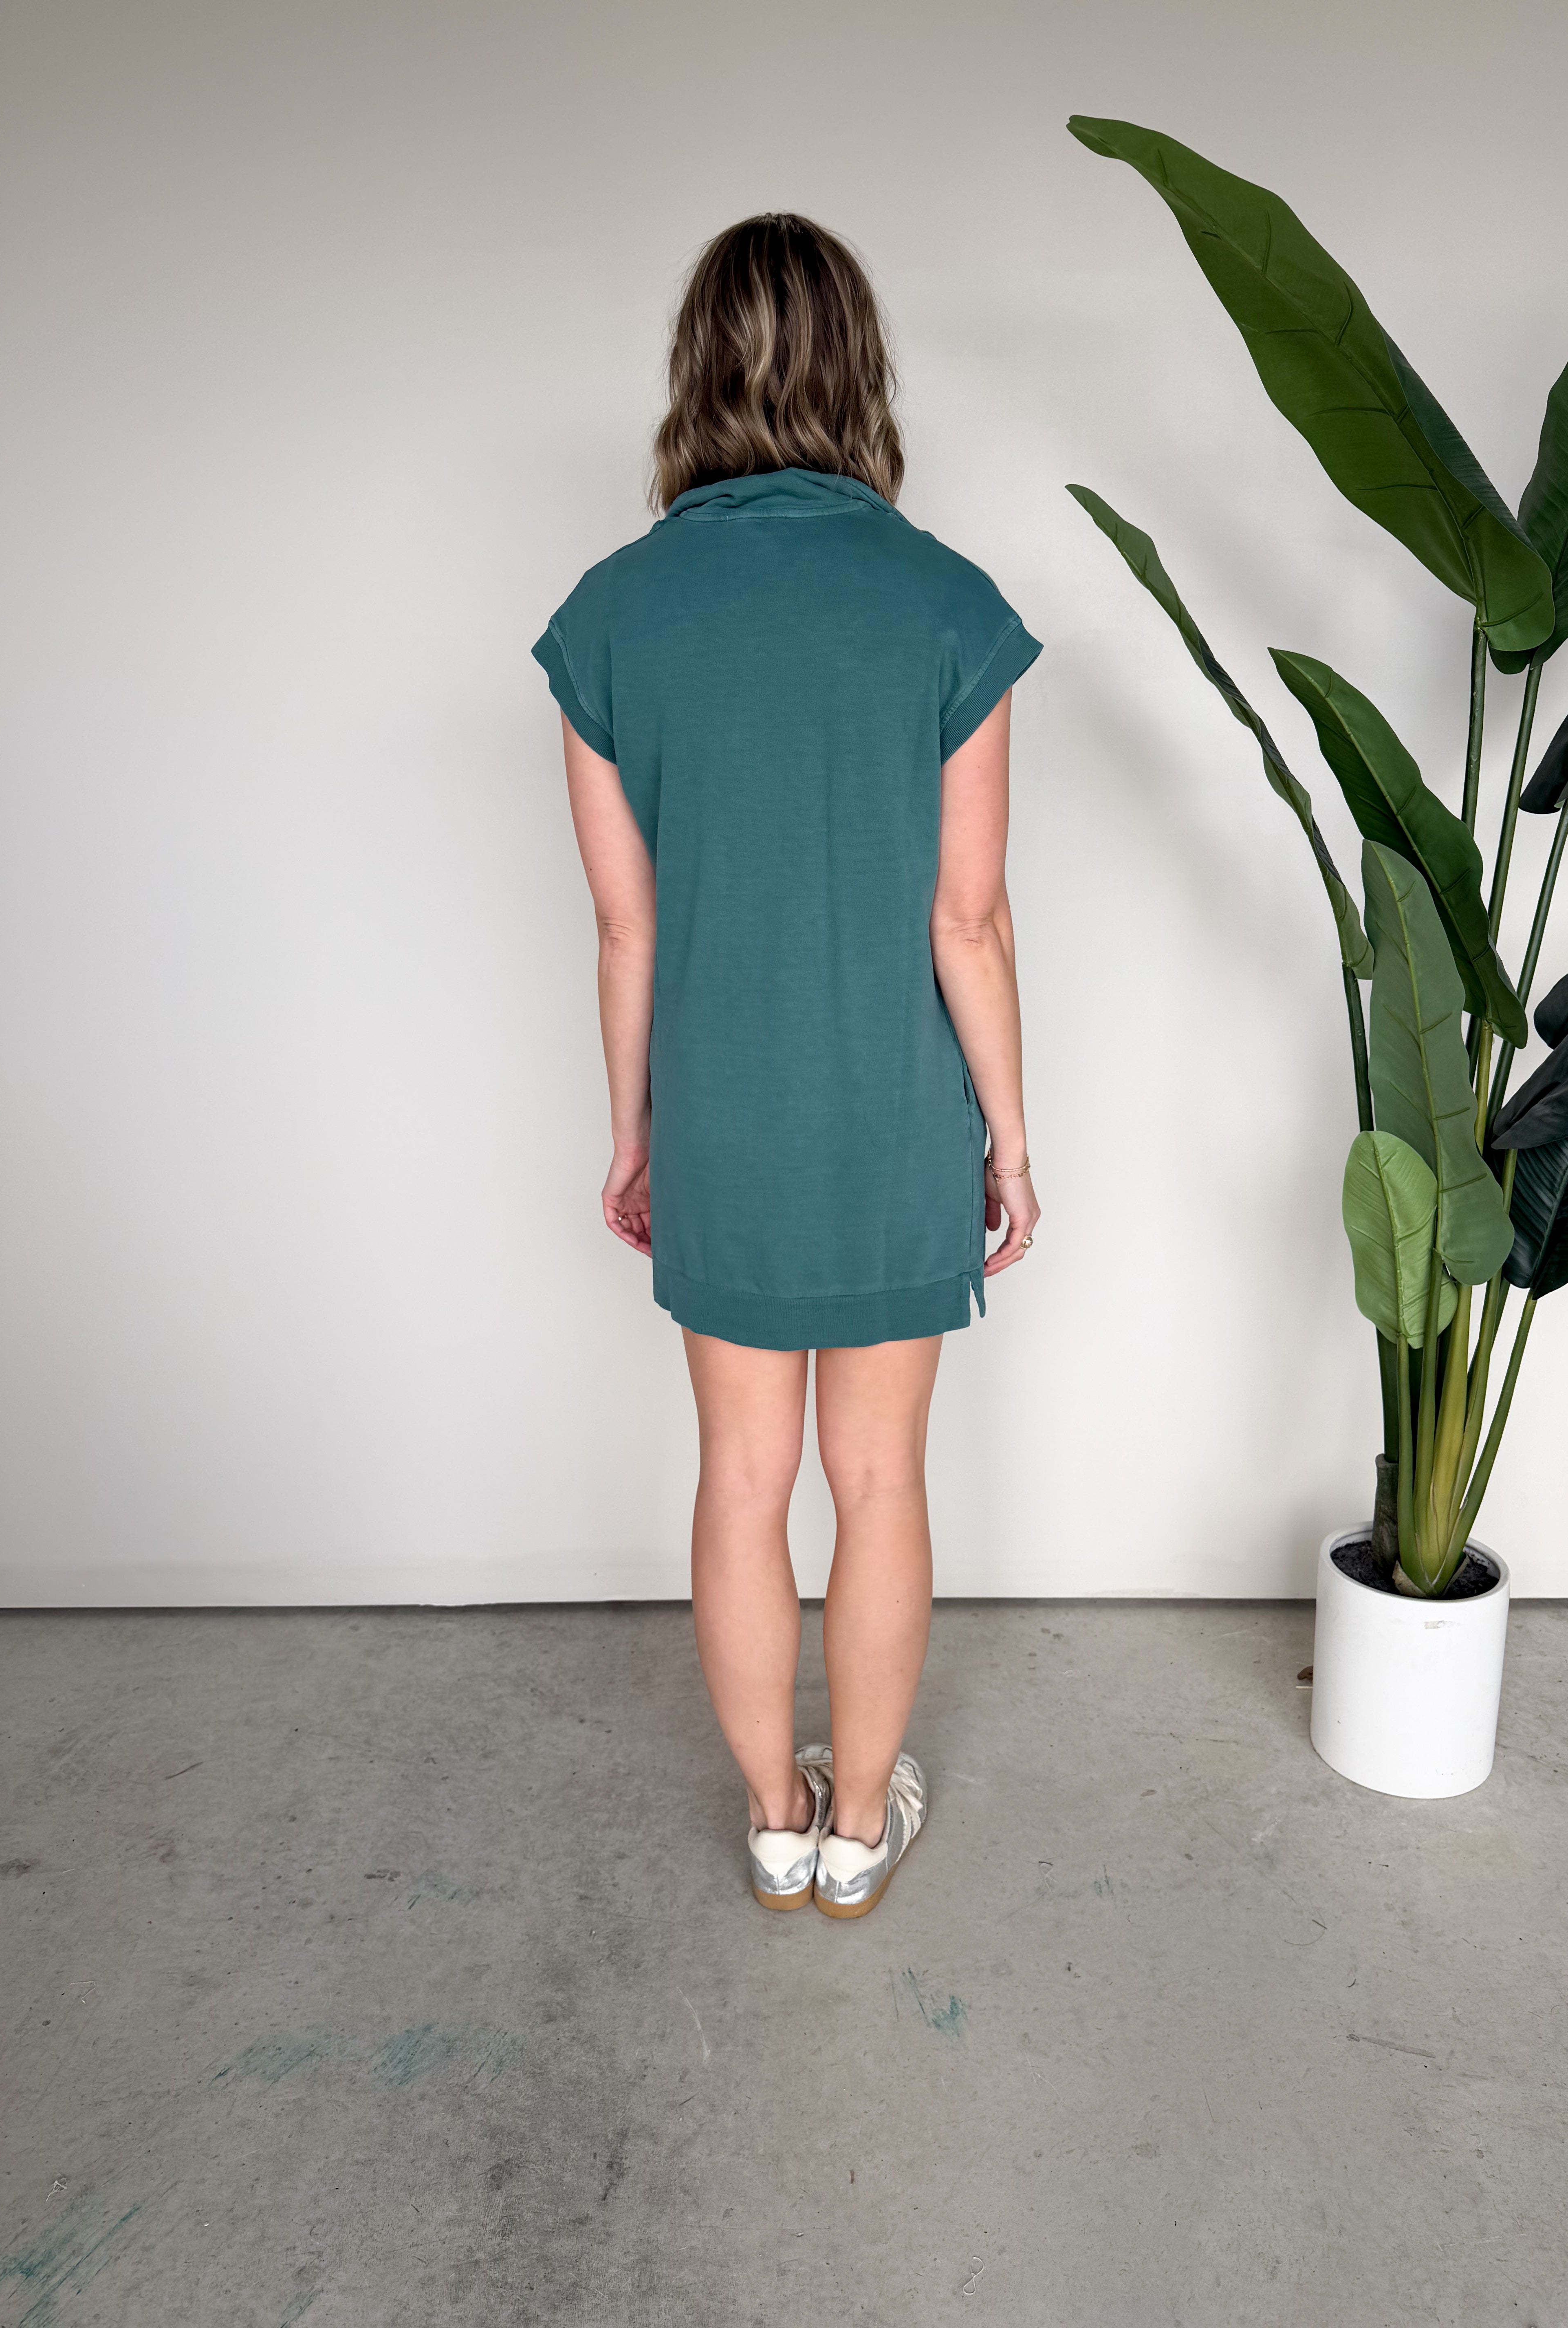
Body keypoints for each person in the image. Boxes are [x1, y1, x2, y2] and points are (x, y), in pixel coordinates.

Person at [532, 214, 1041, 1918]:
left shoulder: (611, 616)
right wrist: (1010, 1142)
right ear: (860, 374)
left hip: (727, 1122)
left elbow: (626, 929)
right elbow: (967, 919)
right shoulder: (947, 604)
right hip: (891, 1115)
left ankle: (772, 1815)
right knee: (879, 1477)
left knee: (740, 1478)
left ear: (695, 375)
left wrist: (634, 1134)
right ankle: (858, 1829)